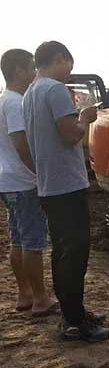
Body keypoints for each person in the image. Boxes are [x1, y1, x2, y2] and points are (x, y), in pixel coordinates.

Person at [22, 41, 109, 342]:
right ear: (59, 59)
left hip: (49, 184)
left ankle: (73, 313)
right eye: (67, 63)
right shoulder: (55, 90)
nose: (69, 70)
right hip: (67, 185)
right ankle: (75, 322)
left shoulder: (30, 93)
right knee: (75, 253)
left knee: (62, 251)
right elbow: (70, 134)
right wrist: (84, 117)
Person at [0, 49, 58, 317]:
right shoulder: (14, 103)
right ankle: (41, 299)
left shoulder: (3, 100)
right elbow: (20, 142)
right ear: (18, 71)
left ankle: (24, 294)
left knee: (18, 238)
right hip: (24, 181)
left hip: (7, 181)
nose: (34, 73)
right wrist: (38, 171)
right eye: (31, 67)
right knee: (33, 241)